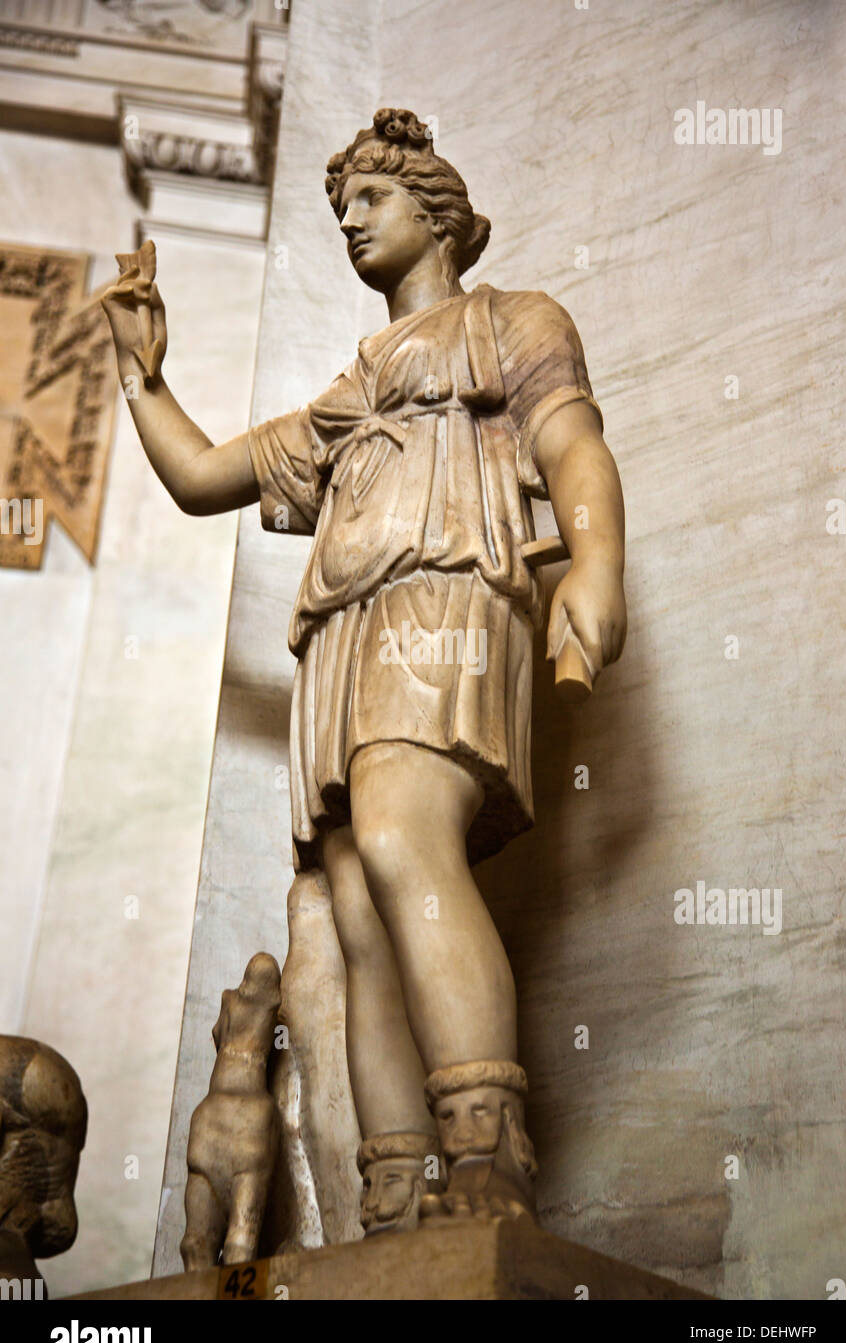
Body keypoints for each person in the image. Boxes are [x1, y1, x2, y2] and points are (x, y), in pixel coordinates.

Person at [102, 107, 626, 1228]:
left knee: (399, 835)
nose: (349, 219)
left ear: (436, 213)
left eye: (371, 198)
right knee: (355, 905)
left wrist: (595, 561)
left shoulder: (509, 322)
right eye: (340, 204)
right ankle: (399, 1192)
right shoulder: (345, 399)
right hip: (341, 633)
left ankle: (487, 1156)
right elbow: (200, 478)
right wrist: (143, 376)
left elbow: (572, 444)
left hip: (447, 598)